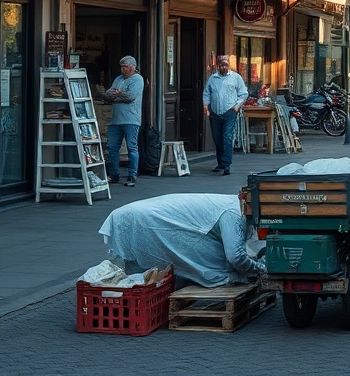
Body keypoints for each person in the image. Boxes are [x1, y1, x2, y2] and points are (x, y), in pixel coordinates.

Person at [99, 193, 265, 288]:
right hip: (142, 218)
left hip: (132, 214)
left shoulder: (233, 202)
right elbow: (235, 256)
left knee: (138, 276)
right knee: (209, 262)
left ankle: (135, 300)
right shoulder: (235, 214)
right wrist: (259, 269)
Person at [202, 55, 248, 176]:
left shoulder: (236, 77)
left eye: (226, 65)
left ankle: (227, 164)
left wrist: (237, 106)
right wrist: (206, 106)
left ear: (229, 65)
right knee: (217, 138)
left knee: (227, 137)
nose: (224, 67)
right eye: (222, 65)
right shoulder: (213, 78)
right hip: (215, 112)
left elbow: (243, 94)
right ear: (218, 66)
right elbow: (206, 93)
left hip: (229, 112)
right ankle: (220, 163)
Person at [104, 55, 145, 187]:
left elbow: (130, 96)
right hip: (115, 119)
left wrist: (117, 94)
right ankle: (113, 174)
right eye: (122, 67)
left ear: (133, 67)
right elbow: (108, 94)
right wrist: (117, 94)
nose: (123, 69)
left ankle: (132, 175)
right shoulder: (118, 79)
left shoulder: (138, 79)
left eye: (126, 67)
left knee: (132, 148)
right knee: (112, 148)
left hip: (131, 119)